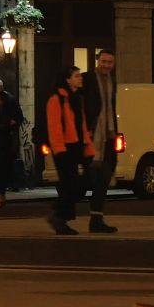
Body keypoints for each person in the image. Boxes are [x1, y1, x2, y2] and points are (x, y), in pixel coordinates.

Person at [44, 66, 93, 236]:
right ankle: (60, 217)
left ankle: (58, 213)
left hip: (77, 145)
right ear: (67, 80)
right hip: (65, 147)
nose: (80, 78)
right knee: (69, 185)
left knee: (81, 183)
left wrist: (88, 146)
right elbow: (54, 126)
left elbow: (82, 125)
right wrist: (59, 149)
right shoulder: (56, 99)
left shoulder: (76, 99)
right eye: (77, 76)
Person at [77, 50, 120, 233]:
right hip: (92, 135)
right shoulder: (87, 79)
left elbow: (111, 107)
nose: (106, 65)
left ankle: (96, 218)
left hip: (108, 135)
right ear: (97, 61)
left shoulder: (112, 81)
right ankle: (60, 213)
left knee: (105, 176)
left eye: (110, 62)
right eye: (103, 61)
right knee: (90, 179)